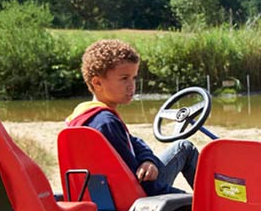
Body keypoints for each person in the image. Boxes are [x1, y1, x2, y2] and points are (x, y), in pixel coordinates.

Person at [66, 39, 197, 196]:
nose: (131, 85)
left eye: (133, 78)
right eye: (124, 78)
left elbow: (134, 142)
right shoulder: (106, 123)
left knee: (183, 147)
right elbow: (141, 185)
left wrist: (148, 160)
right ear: (97, 83)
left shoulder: (83, 116)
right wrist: (189, 201)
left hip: (108, 196)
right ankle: (212, 205)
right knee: (187, 151)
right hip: (139, 198)